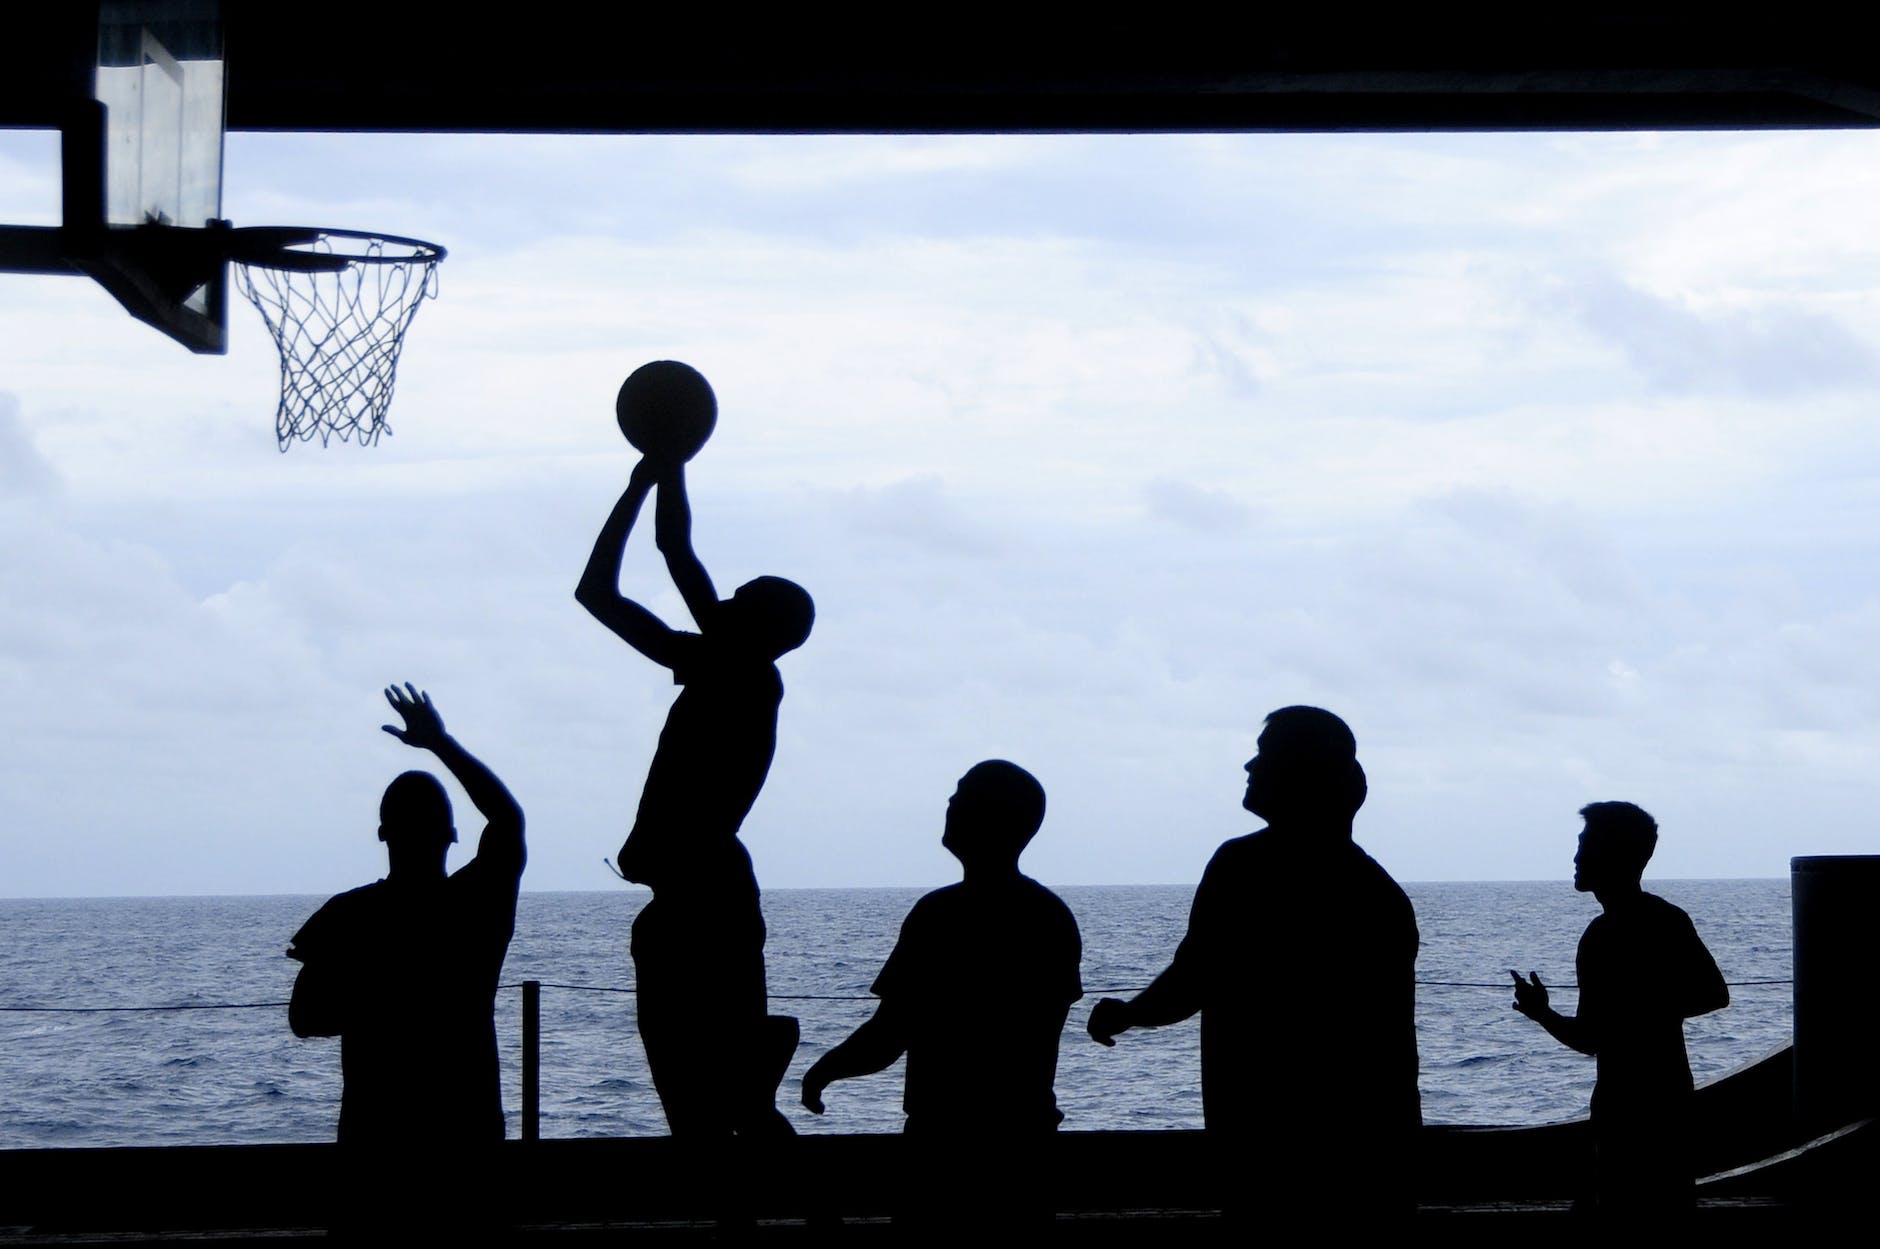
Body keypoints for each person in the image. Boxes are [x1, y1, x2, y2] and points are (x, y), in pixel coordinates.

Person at [575, 383, 813, 1138]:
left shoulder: (743, 675)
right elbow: (601, 590)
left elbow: (670, 552)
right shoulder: (723, 667)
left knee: (716, 1106)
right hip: (696, 899)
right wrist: (650, 477)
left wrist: (659, 470)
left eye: (739, 598)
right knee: (715, 1107)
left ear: (760, 625)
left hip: (706, 901)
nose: (724, 598)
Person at [1086, 706, 1420, 1220]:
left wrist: (1129, 1013)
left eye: (1264, 755)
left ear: (1299, 773)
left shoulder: (1242, 866)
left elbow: (1194, 977)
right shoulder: (1378, 892)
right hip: (1371, 1154)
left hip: (1263, 1148)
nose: (1249, 766)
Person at [801, 760, 1081, 1223]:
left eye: (963, 794)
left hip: (943, 1141)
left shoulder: (940, 915)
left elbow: (890, 1033)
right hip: (1025, 1138)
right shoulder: (1050, 915)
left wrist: (823, 1071)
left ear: (990, 817)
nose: (951, 804)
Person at [287, 685, 524, 1231]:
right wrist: (440, 744)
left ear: (381, 834)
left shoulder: (346, 915)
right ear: (452, 836)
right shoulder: (476, 905)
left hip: (375, 1139)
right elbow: (508, 820)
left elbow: (305, 1019)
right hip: (467, 1132)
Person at [1510, 801, 1728, 1217]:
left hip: (1625, 1111)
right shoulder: (1666, 919)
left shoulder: (1602, 937)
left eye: (1585, 845)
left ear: (1614, 854)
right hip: (1668, 1104)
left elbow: (1591, 1039)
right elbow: (1713, 993)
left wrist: (1544, 1015)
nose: (1576, 857)